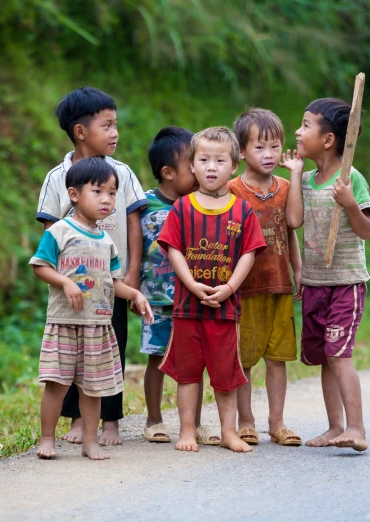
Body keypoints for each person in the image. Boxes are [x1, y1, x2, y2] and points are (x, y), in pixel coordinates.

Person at [36, 87, 147, 446]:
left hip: (111, 281)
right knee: (70, 355)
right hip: (73, 287)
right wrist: (60, 277)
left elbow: (134, 222)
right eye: (107, 125)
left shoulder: (123, 173)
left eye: (116, 125)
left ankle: (111, 421)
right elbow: (49, 229)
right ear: (81, 131)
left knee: (109, 351)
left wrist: (131, 275)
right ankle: (76, 420)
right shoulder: (58, 177)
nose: (115, 133)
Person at [157, 127, 266, 453]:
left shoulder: (242, 210)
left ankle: (228, 432)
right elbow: (172, 248)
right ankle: (187, 431)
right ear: (192, 165)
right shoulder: (183, 207)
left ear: (233, 166)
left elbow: (249, 251)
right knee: (188, 375)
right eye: (203, 159)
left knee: (225, 375)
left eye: (220, 161)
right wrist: (190, 283)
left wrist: (231, 286)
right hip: (187, 308)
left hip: (225, 309)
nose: (211, 167)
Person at [283, 98, 370, 452]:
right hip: (316, 282)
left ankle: (357, 428)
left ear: (329, 139)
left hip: (346, 281)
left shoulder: (352, 180)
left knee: (340, 354)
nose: (298, 131)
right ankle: (336, 426)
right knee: (324, 355)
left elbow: (365, 231)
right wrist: (293, 173)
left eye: (306, 125)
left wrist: (350, 203)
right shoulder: (305, 180)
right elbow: (293, 221)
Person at [228, 108, 303, 447]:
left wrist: (298, 269)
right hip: (243, 287)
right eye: (259, 147)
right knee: (243, 357)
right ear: (241, 151)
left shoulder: (286, 186)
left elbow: (292, 227)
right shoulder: (230, 189)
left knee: (277, 357)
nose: (269, 154)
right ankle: (246, 420)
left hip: (279, 282)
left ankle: (277, 422)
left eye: (275, 146)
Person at [140, 127, 219, 445]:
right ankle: (153, 418)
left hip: (193, 297)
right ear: (168, 172)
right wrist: (133, 288)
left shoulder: (201, 203)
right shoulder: (143, 205)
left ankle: (195, 421)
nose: (200, 171)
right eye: (193, 164)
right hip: (156, 298)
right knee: (156, 357)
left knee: (194, 360)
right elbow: (134, 247)